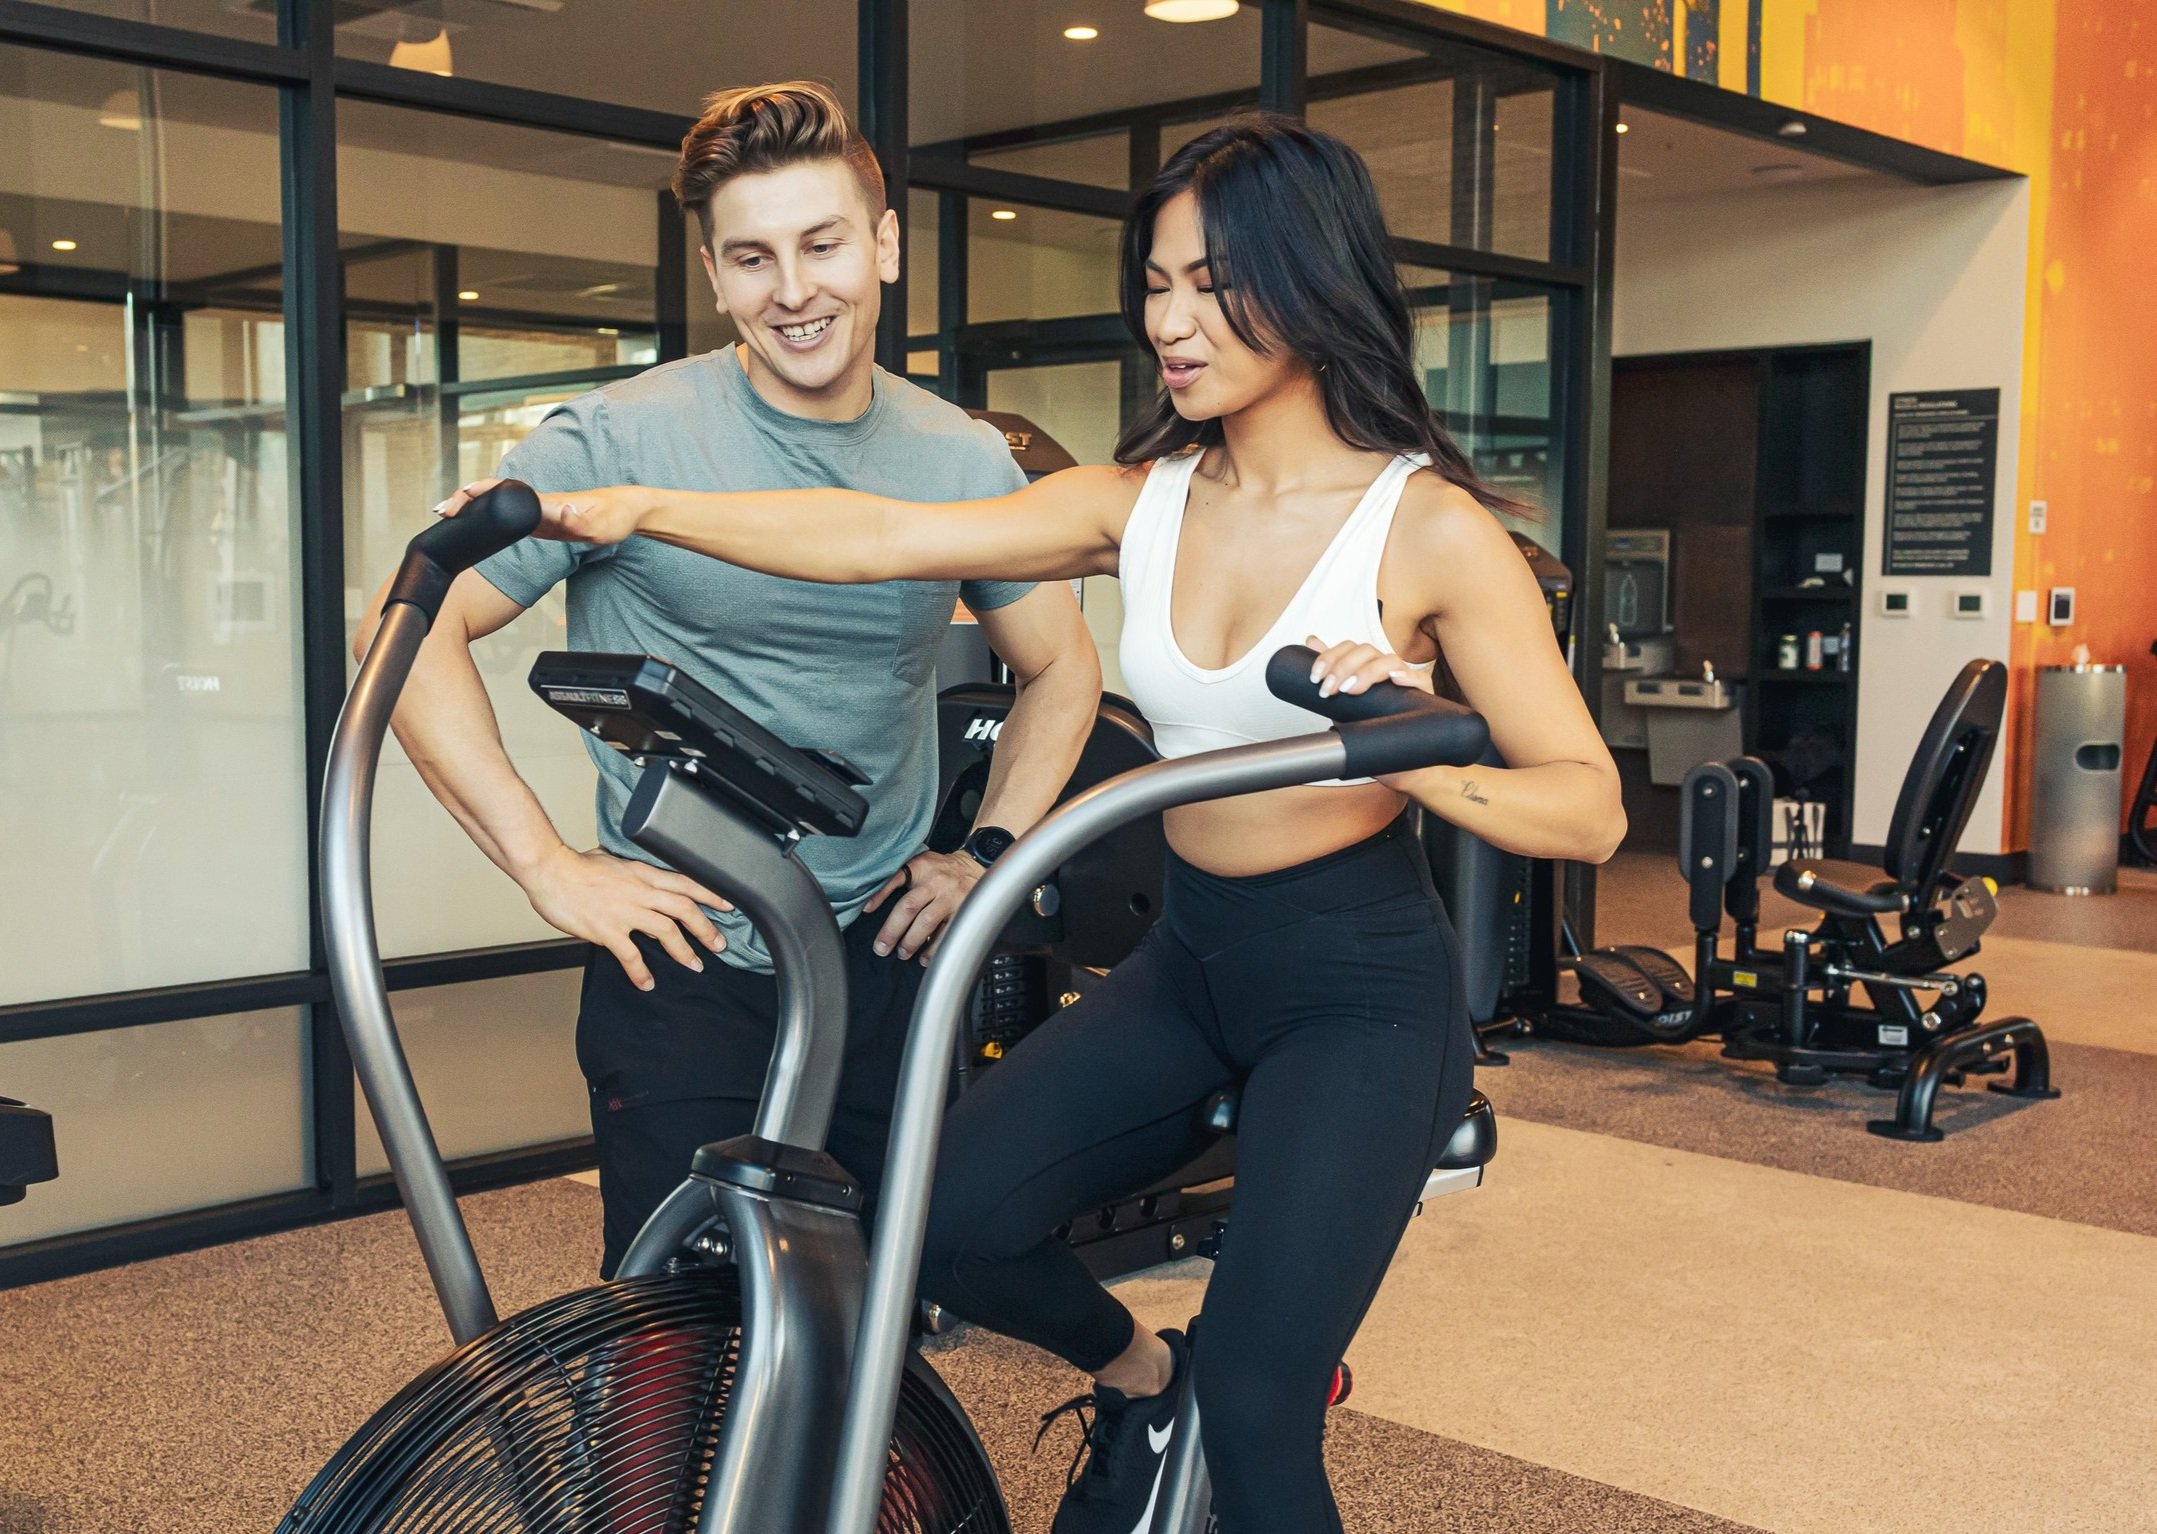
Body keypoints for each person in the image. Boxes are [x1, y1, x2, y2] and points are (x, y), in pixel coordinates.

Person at [441, 115, 1622, 1534]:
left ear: (1310, 285)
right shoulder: (1141, 500)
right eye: (1159, 285)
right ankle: (1144, 1382)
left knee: (1258, 1424)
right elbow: (880, 537)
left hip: (1359, 990)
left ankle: (1213, 1402)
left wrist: (1410, 756)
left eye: (1210, 287)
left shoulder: (1427, 531)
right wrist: (635, 506)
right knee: (940, 1224)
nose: (1170, 324)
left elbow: (1592, 809)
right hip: (1193, 962)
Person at [375, 81, 1099, 1281]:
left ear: (885, 244)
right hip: (684, 945)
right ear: (716, 277)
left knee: (873, 1291)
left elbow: (1064, 668)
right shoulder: (617, 439)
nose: (794, 289)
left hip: (878, 945)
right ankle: (661, 1482)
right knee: (672, 1301)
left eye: (822, 244)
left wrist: (984, 853)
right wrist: (548, 866)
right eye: (753, 257)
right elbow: (401, 640)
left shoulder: (964, 459)